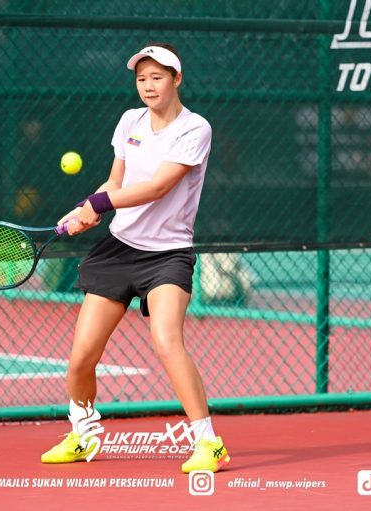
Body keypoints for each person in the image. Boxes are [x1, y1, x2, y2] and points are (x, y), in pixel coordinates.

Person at [41, 43, 230, 473]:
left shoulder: (194, 128)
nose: (148, 86)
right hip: (118, 250)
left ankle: (209, 444)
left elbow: (159, 187)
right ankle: (82, 435)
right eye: (141, 78)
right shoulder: (130, 120)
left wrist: (98, 202)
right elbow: (117, 180)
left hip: (167, 255)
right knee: (81, 358)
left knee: (166, 341)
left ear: (176, 79)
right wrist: (87, 212)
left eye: (157, 78)